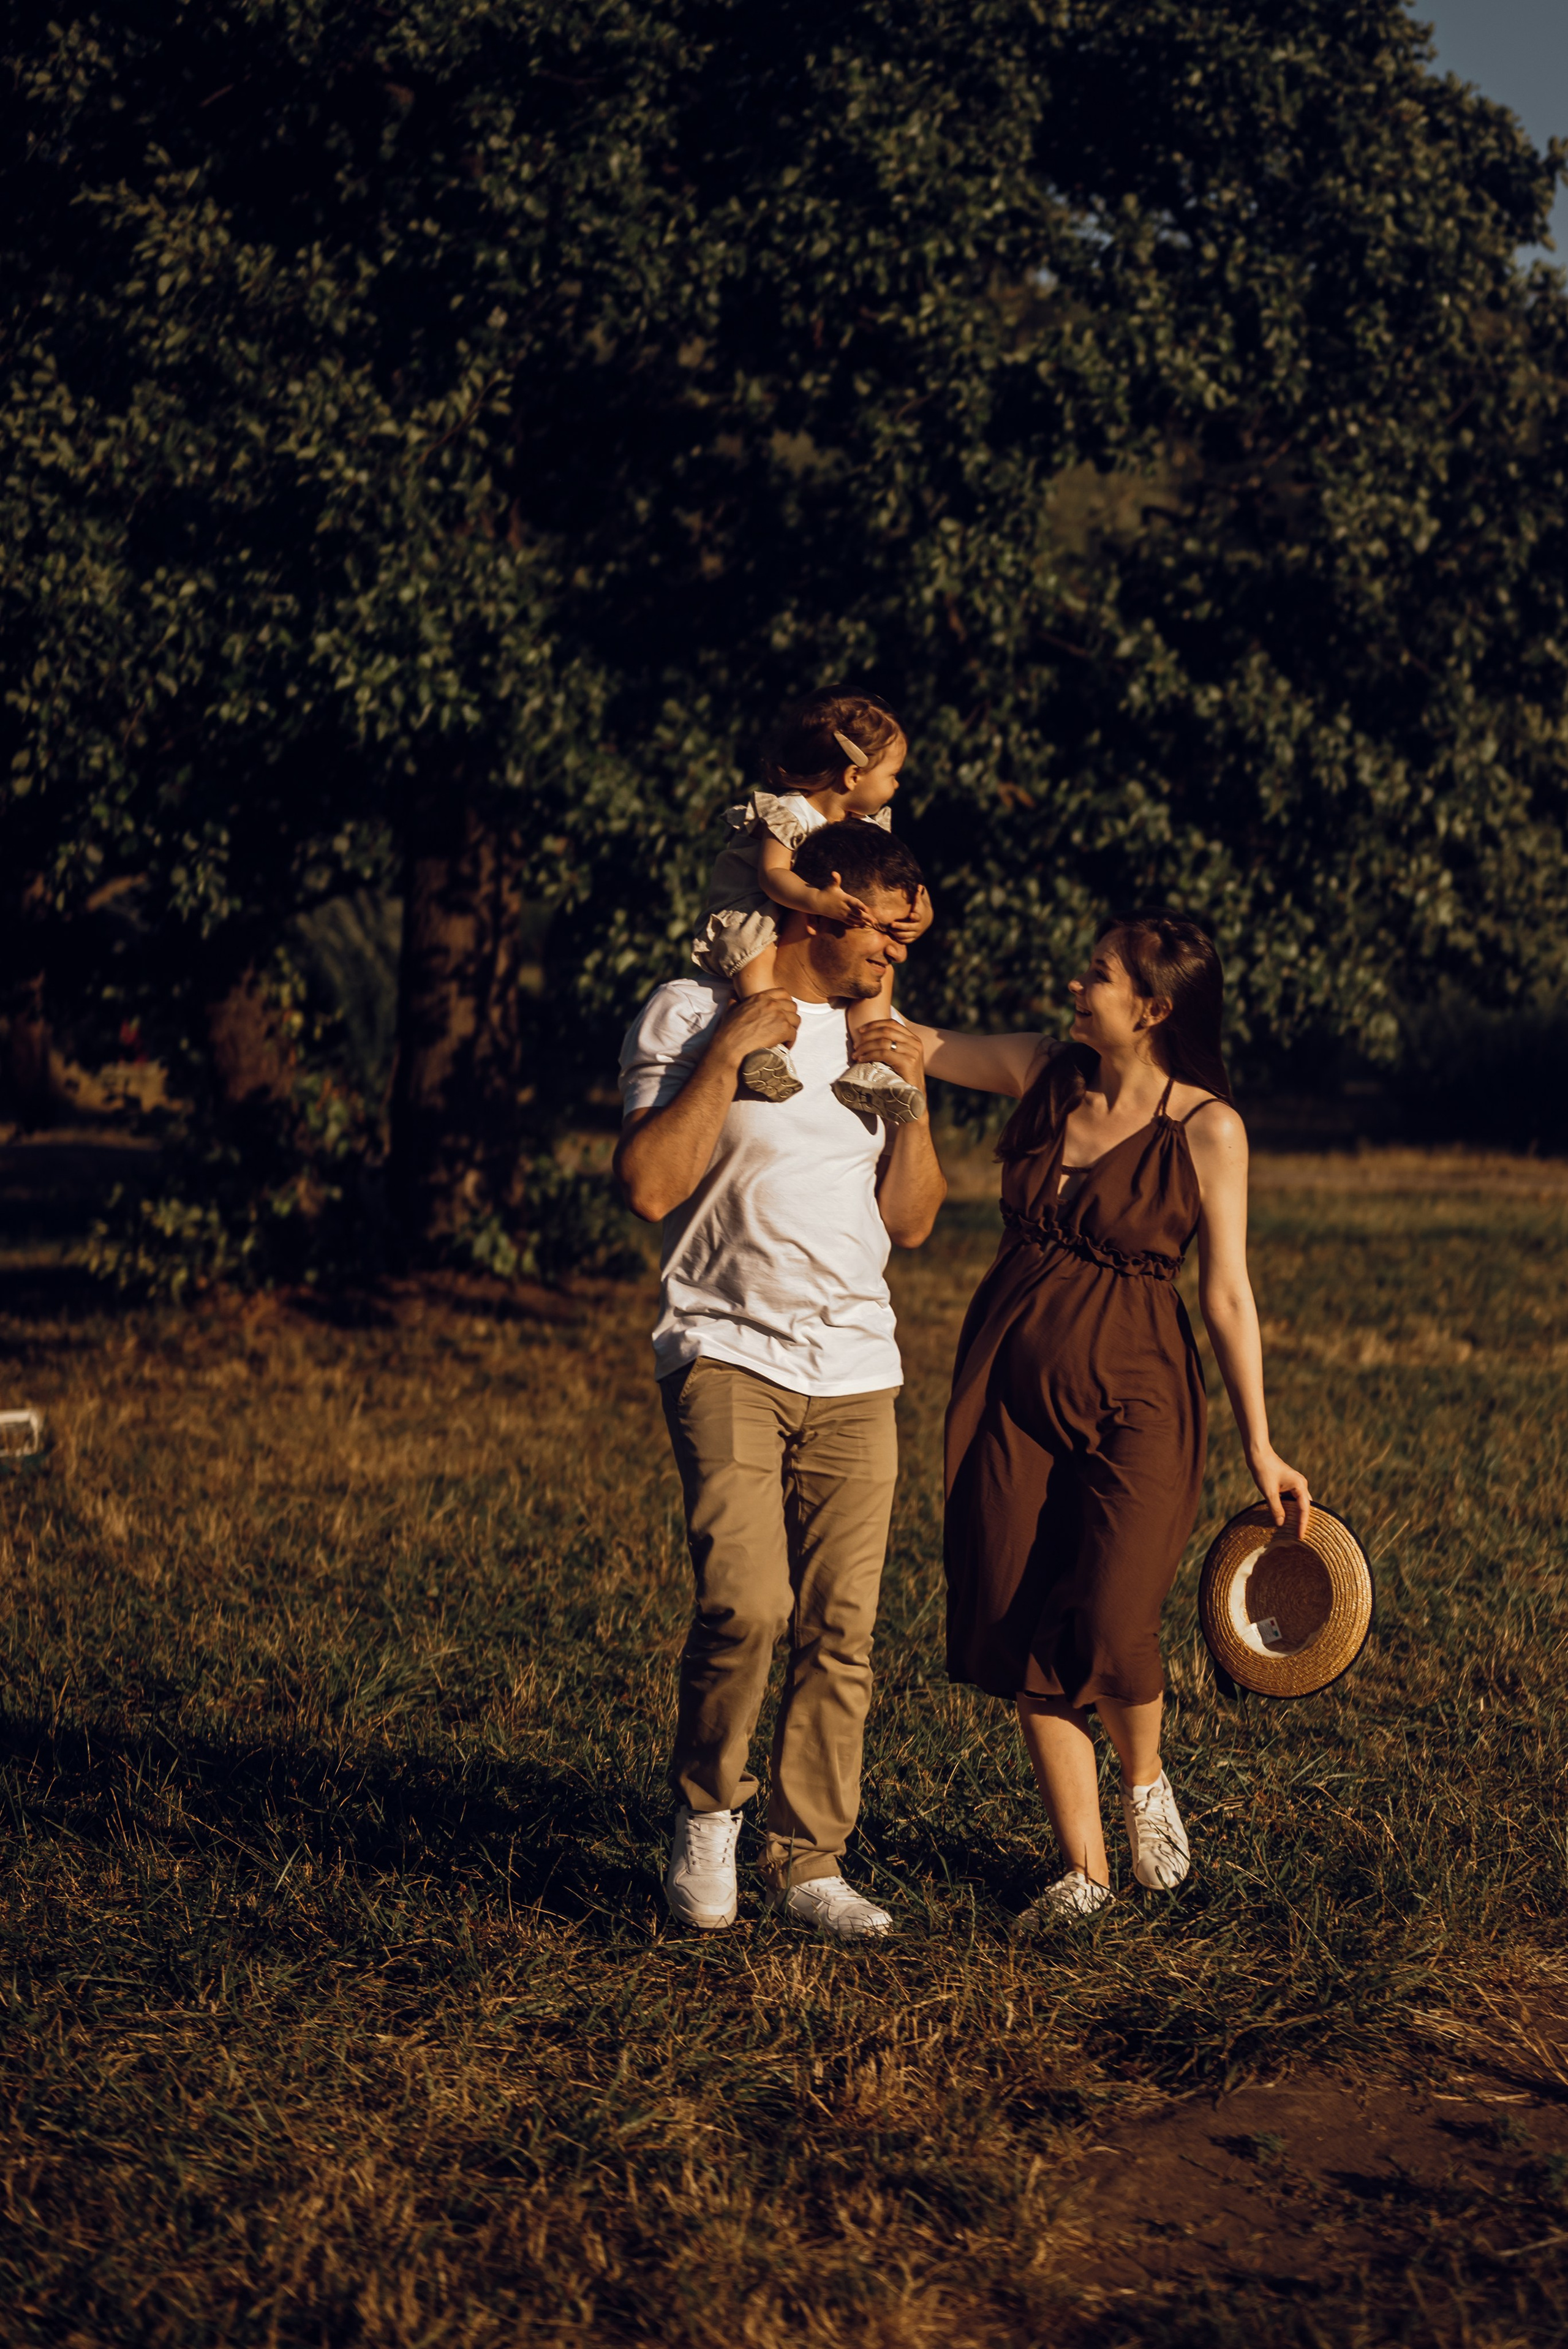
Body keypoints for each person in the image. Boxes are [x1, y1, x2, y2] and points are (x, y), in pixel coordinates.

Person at [905, 911, 1310, 1928]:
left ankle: (1145, 1781)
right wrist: (859, 916)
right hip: (1005, 1386)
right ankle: (1083, 1875)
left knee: (1115, 1614)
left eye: (1097, 977)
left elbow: (1227, 1292)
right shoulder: (1047, 1072)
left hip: (1142, 1393)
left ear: (1153, 1008)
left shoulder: (1207, 1128)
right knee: (1014, 1602)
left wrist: (1261, 1444)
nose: (1076, 988)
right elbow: (917, 1041)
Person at [614, 822, 946, 1940]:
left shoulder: (875, 1038)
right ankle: (710, 1815)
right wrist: (728, 1054)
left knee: (843, 1625)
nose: (894, 953)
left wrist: (912, 1104)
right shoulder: (690, 1010)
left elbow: (912, 1220)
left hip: (858, 1366)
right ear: (823, 906)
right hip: (726, 1349)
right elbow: (651, 1188)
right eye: (882, 932)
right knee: (746, 1604)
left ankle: (811, 1863)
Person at [693, 688, 933, 1126]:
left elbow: (908, 886)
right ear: (853, 776)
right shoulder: (791, 812)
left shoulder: (866, 826)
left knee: (880, 974)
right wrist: (818, 900)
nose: (898, 785)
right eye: (894, 774)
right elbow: (773, 876)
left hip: (814, 914)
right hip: (761, 906)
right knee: (757, 950)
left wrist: (920, 915)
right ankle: (768, 1047)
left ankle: (870, 1064)